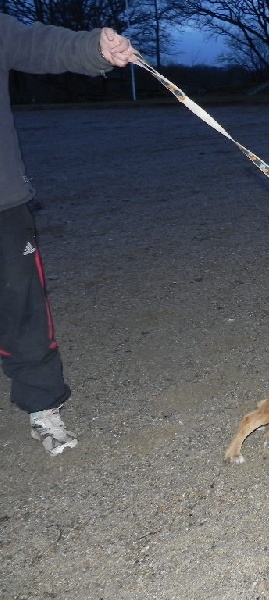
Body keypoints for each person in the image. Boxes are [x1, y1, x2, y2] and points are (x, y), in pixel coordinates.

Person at [0, 15, 137, 455]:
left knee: (23, 308)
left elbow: (38, 44)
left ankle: (42, 406)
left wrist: (95, 48)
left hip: (2, 201)